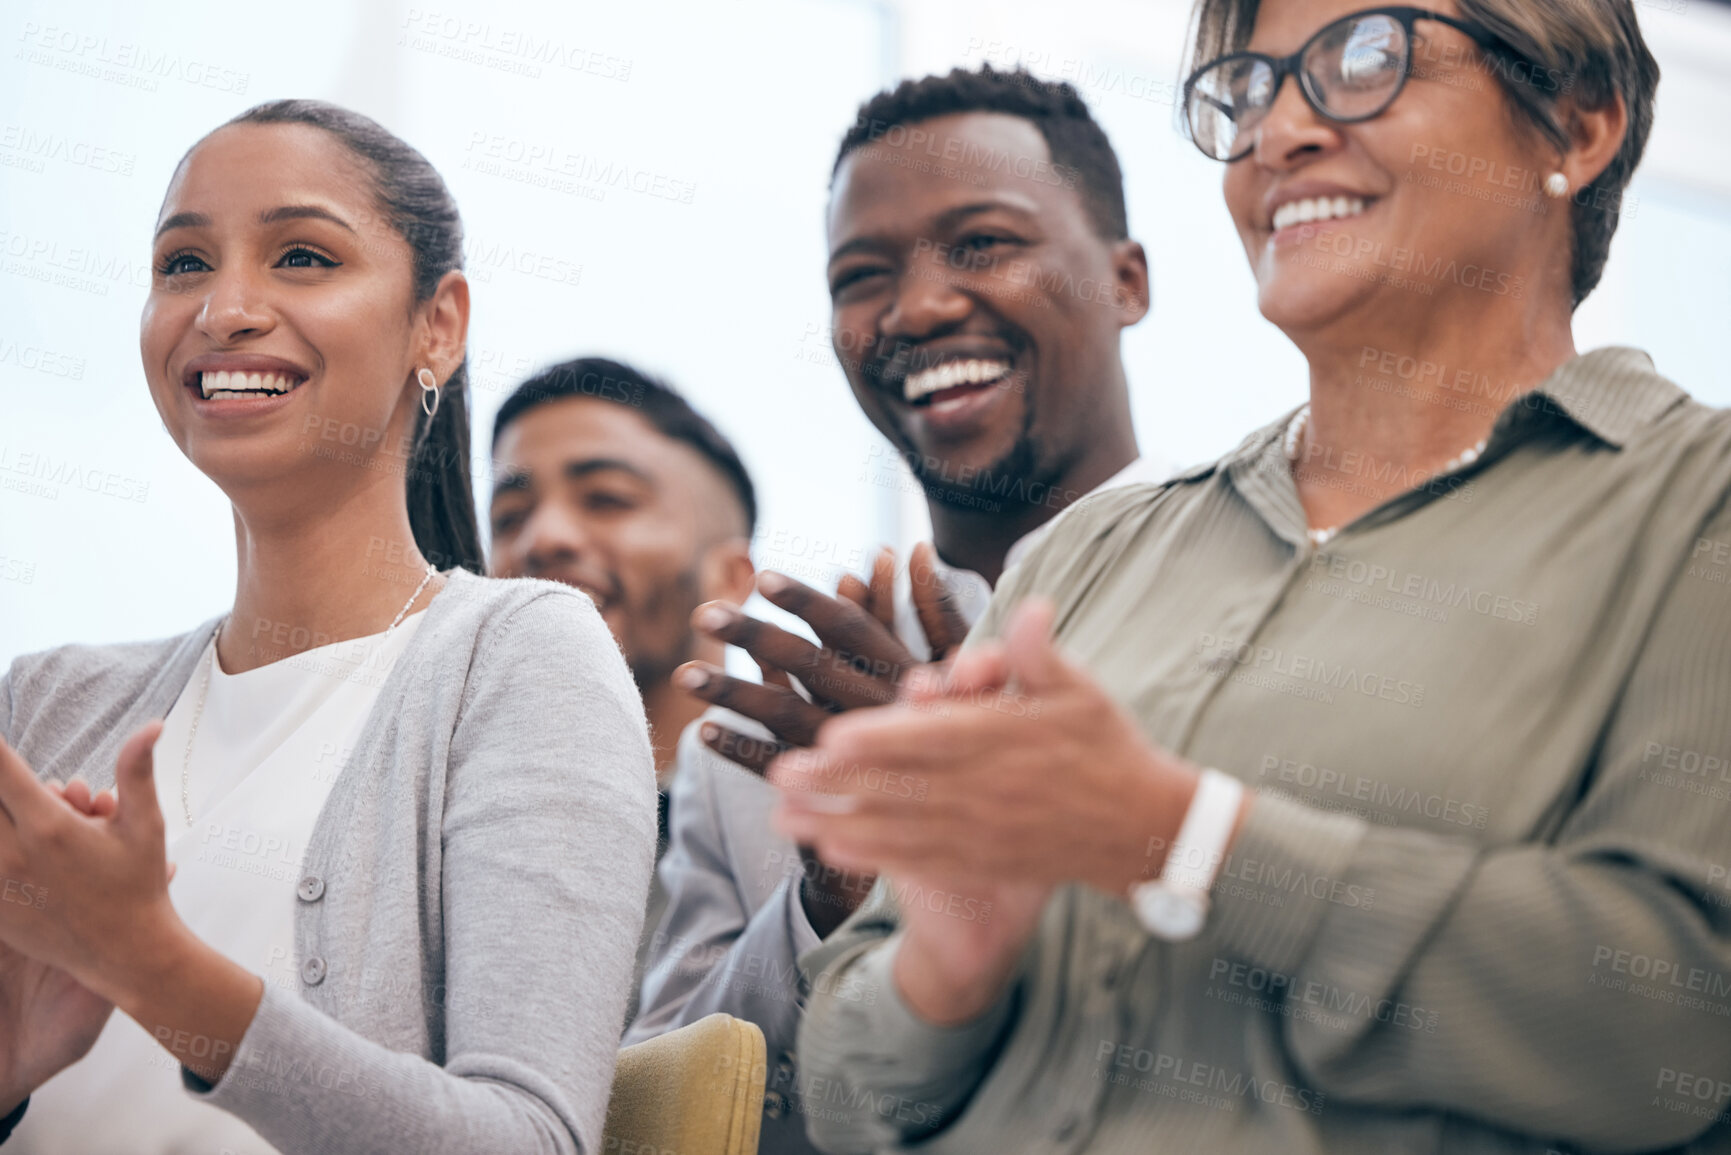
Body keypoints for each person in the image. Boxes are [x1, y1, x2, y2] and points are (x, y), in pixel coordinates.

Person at [787, 1, 1731, 1151]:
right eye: (1248, 88)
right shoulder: (1087, 556)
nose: (1277, 130)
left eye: (1365, 58)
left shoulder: (1699, 508)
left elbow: (1680, 1025)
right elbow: (838, 1089)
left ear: (1578, 128)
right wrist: (948, 966)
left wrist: (1190, 838)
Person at [0, 101, 656, 1155]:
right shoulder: (46, 702)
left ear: (436, 325)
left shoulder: (523, 658)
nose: (224, 308)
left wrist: (154, 971)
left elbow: (529, 1140)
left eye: (302, 256)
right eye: (182, 264)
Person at [627, 65, 1172, 1154]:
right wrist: (837, 892)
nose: (916, 307)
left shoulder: (1280, 591)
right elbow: (662, 1114)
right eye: (862, 274)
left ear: (1126, 281)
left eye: (982, 244)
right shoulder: (766, 735)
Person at [486, 358, 758, 1017]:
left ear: (729, 578)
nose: (543, 538)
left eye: (606, 498)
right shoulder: (456, 830)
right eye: (509, 515)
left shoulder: (802, 825)